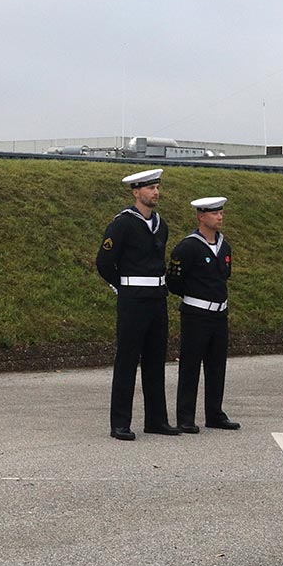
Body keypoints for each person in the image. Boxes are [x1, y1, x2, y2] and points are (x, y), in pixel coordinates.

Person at [95, 168, 180, 440]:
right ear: (136, 192)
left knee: (155, 360)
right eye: (149, 188)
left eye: (157, 187)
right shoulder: (122, 223)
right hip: (133, 300)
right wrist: (123, 287)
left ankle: (156, 420)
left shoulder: (160, 224)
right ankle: (120, 422)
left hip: (157, 299)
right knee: (128, 361)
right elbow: (105, 262)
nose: (156, 192)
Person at [166, 197, 240, 433]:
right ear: (201, 217)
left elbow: (223, 276)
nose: (220, 217)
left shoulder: (224, 246)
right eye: (214, 213)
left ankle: (214, 413)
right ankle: (185, 417)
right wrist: (194, 295)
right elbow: (174, 281)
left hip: (219, 314)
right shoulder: (188, 247)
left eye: (221, 212)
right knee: (190, 366)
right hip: (196, 314)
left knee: (217, 365)